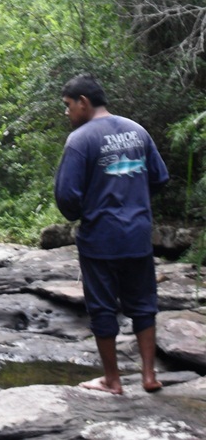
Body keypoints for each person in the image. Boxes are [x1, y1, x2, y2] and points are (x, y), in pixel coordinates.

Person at [54, 74, 169, 395]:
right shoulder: (137, 130)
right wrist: (135, 201)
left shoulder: (80, 140)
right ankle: (149, 377)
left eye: (67, 106)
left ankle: (112, 381)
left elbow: (67, 196)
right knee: (144, 303)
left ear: (83, 103)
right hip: (137, 235)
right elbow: (159, 178)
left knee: (103, 307)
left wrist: (82, 212)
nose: (67, 113)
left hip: (100, 240)